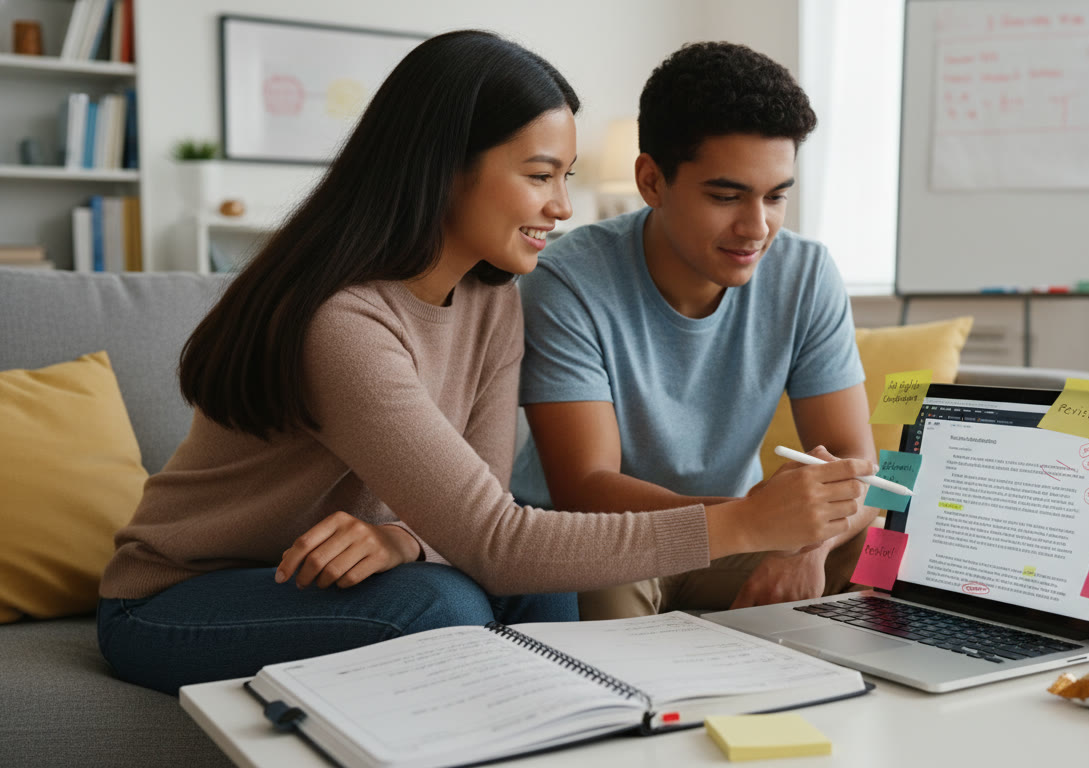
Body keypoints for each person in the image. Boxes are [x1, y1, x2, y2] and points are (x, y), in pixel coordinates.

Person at [97, 31, 873, 695]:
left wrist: (405, 537)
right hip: (178, 600)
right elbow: (498, 538)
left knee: (546, 600)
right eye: (539, 175)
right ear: (445, 169)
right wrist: (743, 522)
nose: (562, 206)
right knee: (444, 607)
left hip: (341, 573)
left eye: (565, 177)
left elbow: (485, 501)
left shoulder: (492, 299)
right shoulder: (344, 323)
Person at [511, 42, 880, 621]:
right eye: (726, 196)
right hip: (612, 539)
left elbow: (856, 465)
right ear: (651, 181)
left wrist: (807, 542)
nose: (756, 228)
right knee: (610, 573)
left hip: (738, 536)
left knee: (878, 550)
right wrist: (756, 519)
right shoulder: (567, 281)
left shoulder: (806, 274)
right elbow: (587, 486)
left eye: (776, 196)